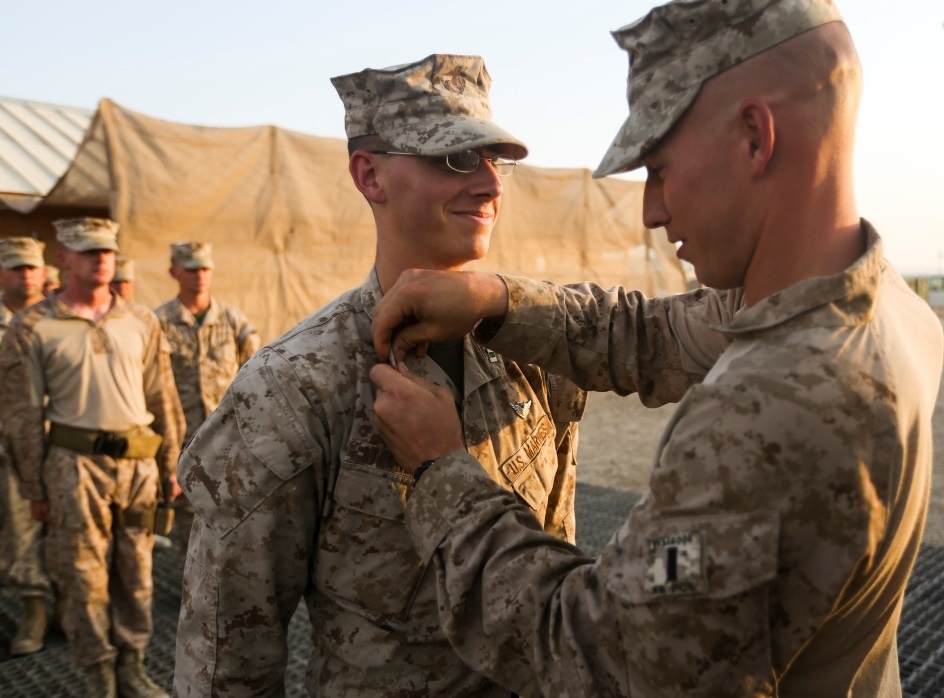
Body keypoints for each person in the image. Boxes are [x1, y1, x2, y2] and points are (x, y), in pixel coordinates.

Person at [368, 2, 944, 695]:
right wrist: (497, 300)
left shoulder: (766, 414)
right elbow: (657, 336)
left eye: (661, 168)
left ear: (755, 138)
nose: (651, 210)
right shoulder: (881, 303)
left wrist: (442, 470)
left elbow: (599, 658)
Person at [174, 54, 587, 696]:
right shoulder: (295, 386)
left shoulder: (534, 352)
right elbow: (227, 655)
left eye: (493, 161)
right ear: (370, 176)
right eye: (454, 159)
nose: (489, 185)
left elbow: (556, 575)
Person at [0, 218, 185, 697]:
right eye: (88, 252)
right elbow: (21, 415)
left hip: (138, 467)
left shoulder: (141, 321)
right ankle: (98, 674)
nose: (101, 259)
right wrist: (34, 488)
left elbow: (162, 397)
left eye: (106, 251)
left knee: (138, 570)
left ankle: (132, 664)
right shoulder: (32, 326)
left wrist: (171, 466)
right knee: (83, 577)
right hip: (73, 465)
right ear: (64, 258)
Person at [155, 241, 259, 554]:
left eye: (205, 269)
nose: (200, 276)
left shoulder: (232, 321)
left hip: (228, 440)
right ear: (174, 272)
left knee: (234, 522)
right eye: (191, 269)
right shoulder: (158, 323)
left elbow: (253, 375)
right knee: (189, 531)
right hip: (183, 442)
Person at [0, 237, 52, 656]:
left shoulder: (63, 319)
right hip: (9, 446)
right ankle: (33, 608)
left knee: (71, 531)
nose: (26, 274)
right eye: (17, 267)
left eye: (32, 267)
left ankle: (72, 606)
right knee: (19, 532)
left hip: (65, 442)